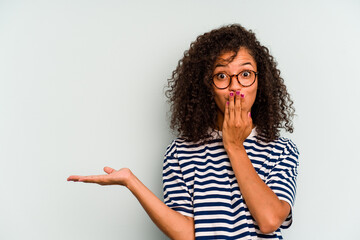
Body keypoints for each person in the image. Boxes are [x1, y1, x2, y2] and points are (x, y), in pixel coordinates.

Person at [68, 24, 299, 240]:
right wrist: (132, 182)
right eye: (221, 76)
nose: (235, 86)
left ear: (261, 81)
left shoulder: (282, 150)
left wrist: (234, 146)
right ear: (207, 86)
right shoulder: (180, 152)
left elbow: (269, 221)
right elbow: (188, 234)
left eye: (246, 74)